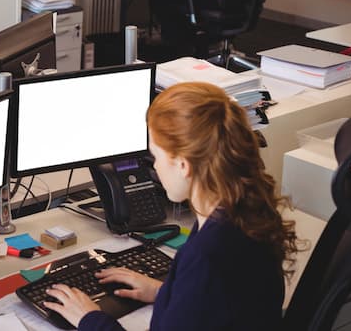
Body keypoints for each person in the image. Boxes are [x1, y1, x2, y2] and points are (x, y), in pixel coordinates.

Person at [43, 82, 298, 331]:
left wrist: (90, 319)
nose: (154, 166)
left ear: (183, 165)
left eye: (157, 156)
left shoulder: (208, 253)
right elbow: (221, 302)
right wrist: (165, 292)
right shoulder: (241, 209)